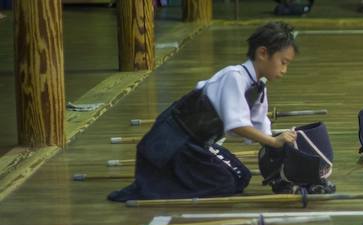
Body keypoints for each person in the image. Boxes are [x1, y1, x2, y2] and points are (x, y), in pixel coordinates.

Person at [108, 22, 299, 202]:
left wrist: (281, 142)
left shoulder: (258, 86)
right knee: (225, 183)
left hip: (197, 144)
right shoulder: (235, 76)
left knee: (241, 177)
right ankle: (161, 182)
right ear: (263, 53)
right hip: (172, 144)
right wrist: (274, 141)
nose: (285, 69)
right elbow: (238, 125)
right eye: (283, 62)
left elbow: (260, 125)